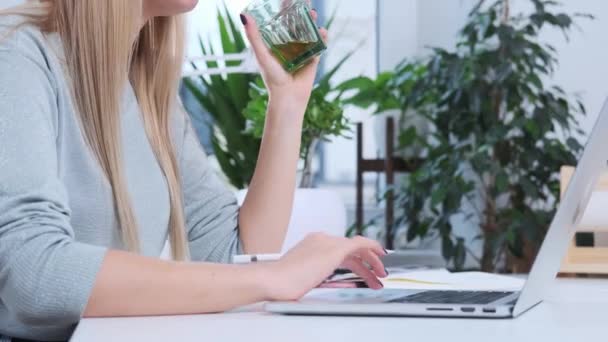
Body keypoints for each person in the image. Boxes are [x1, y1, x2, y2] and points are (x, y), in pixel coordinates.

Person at [0, 1, 387, 341]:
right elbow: (35, 274)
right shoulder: (16, 55)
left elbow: (229, 256)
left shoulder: (147, 89)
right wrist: (277, 276)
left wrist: (287, 103)